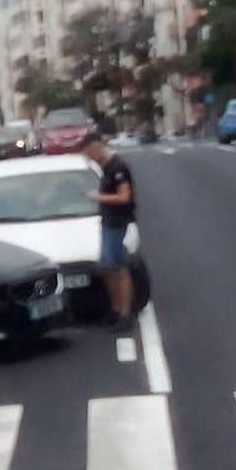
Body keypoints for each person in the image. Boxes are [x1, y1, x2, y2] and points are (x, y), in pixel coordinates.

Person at [81, 135, 137, 332]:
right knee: (107, 267)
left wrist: (99, 197)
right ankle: (116, 309)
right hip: (108, 222)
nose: (89, 158)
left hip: (117, 222)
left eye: (89, 154)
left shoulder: (117, 168)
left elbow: (124, 197)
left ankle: (124, 313)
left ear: (97, 148)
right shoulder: (106, 168)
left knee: (117, 268)